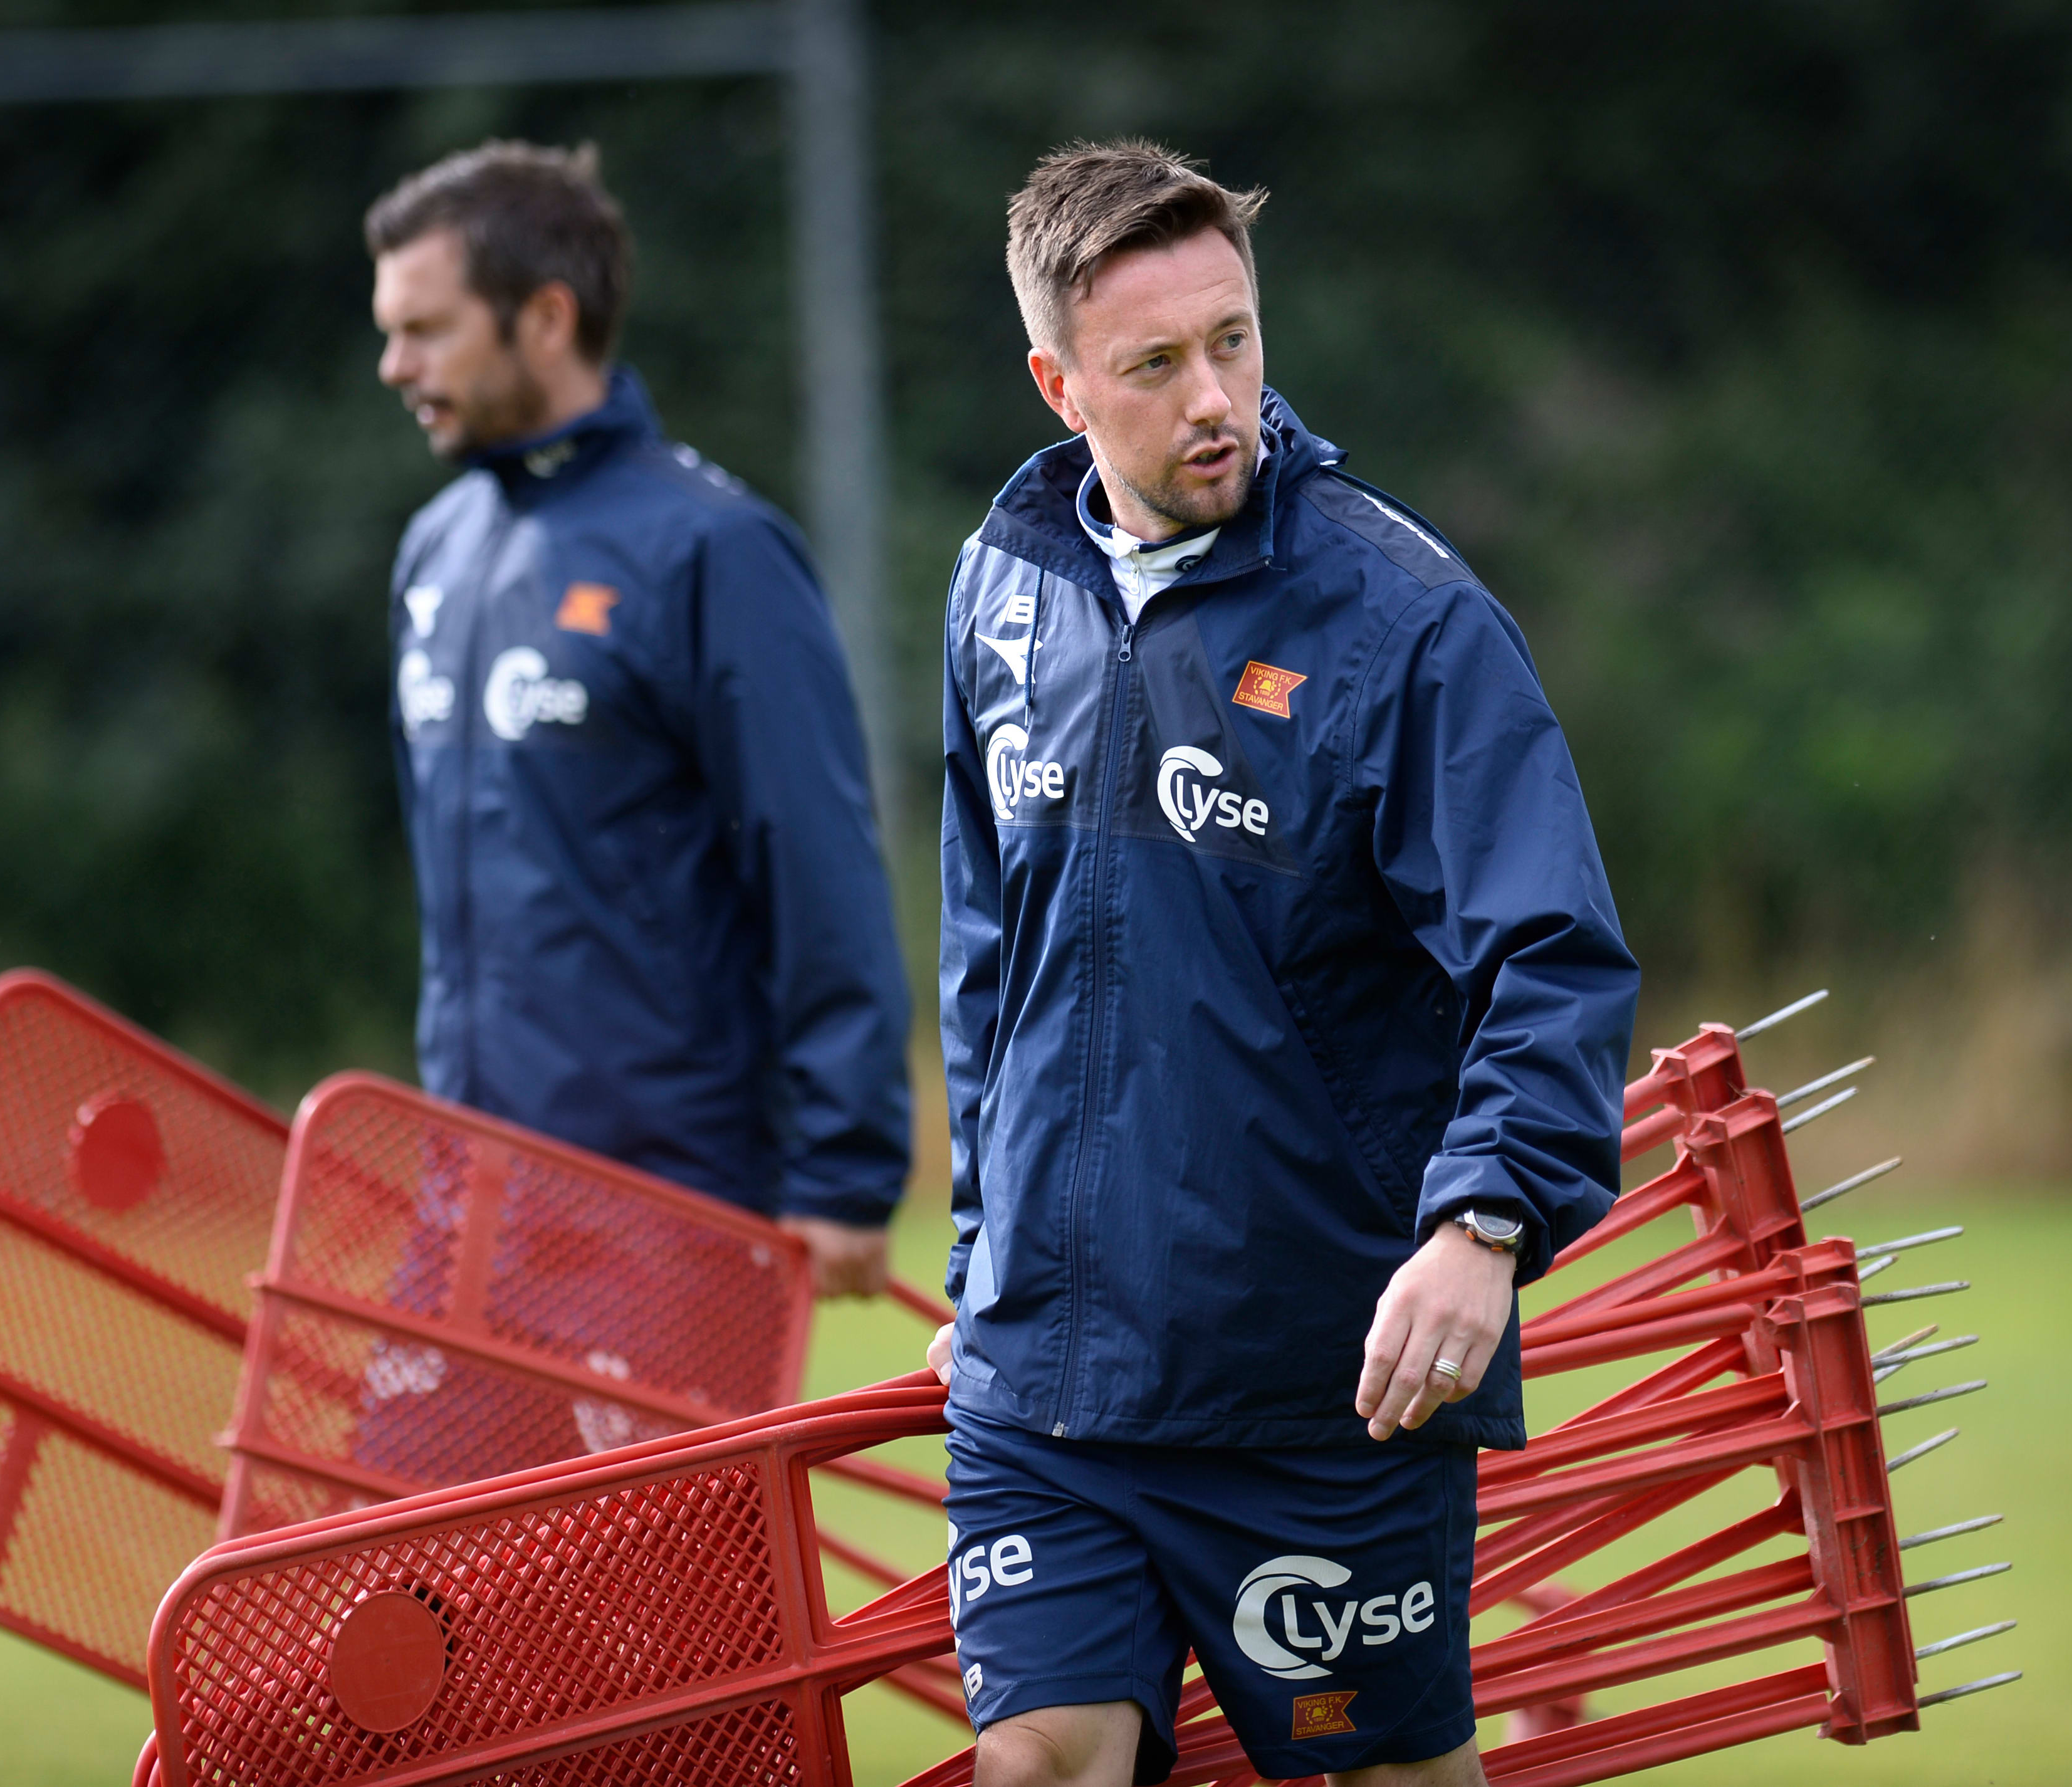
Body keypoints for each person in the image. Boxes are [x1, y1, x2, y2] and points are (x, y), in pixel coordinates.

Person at [924, 142, 1638, 1785]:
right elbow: (987, 956)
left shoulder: (1401, 617)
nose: (1214, 399)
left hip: (1320, 1388)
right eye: (1154, 364)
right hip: (1046, 1387)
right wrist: (983, 1255)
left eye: (1233, 341)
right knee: (1037, 1761)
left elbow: (1550, 951)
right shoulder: (1001, 589)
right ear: (1057, 386)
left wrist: (1483, 1223)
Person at [366, 141, 911, 1294]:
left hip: (664, 1220)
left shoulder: (716, 550)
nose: (394, 364)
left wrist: (844, 1167)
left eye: (426, 330)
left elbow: (819, 865)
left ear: (545, 318)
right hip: (467, 1204)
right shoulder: (435, 550)